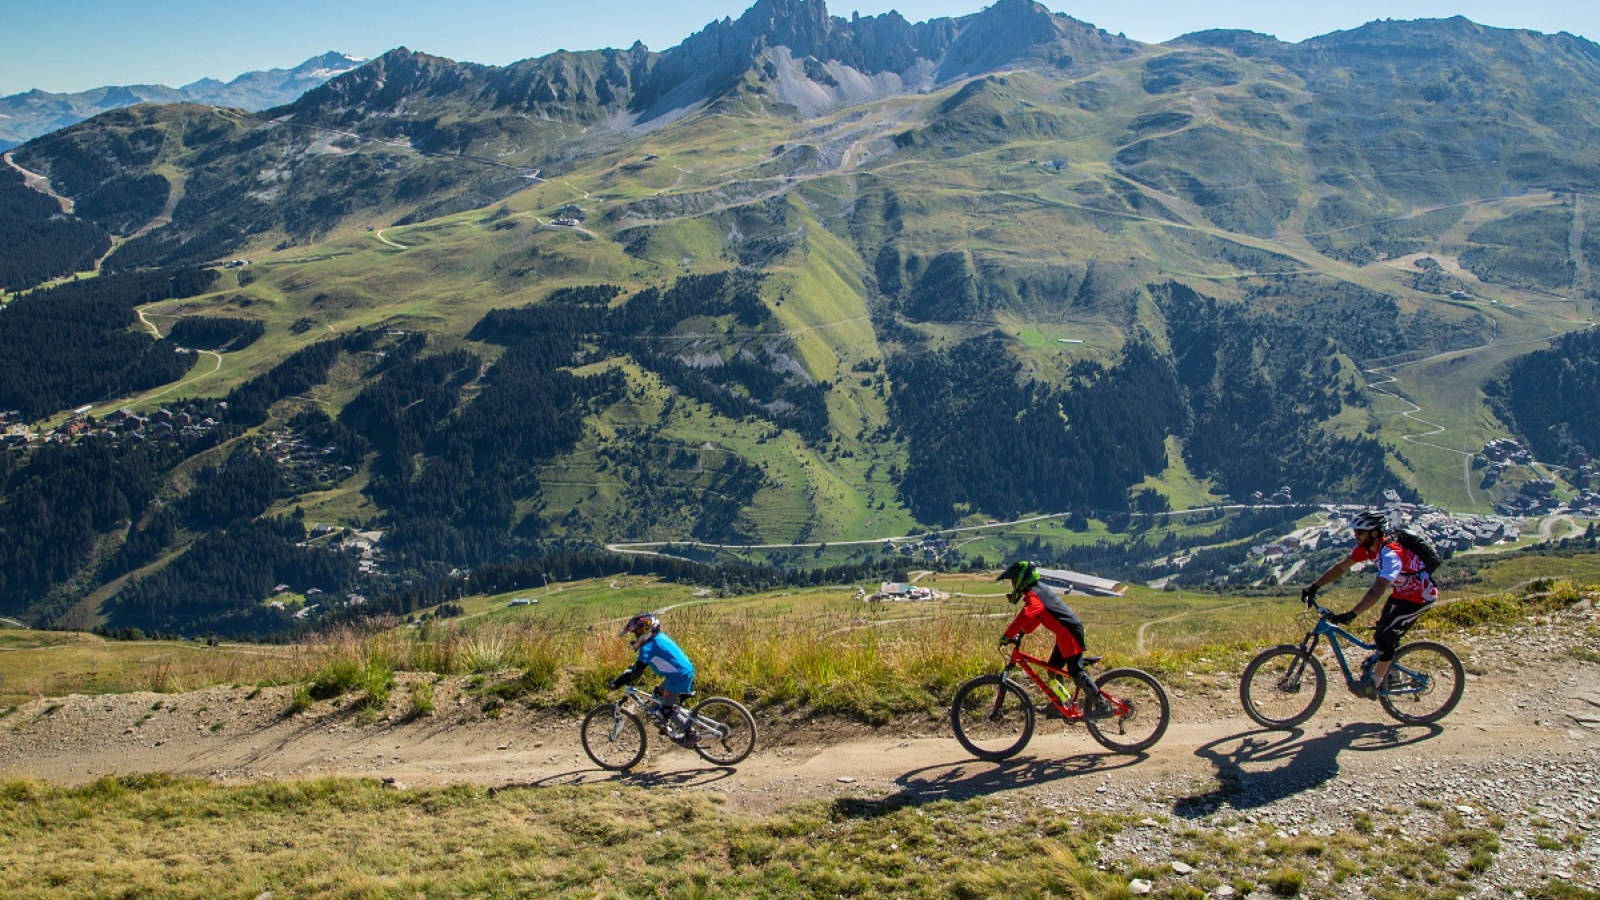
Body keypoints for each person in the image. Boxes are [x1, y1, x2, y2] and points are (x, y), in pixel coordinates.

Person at [1300, 509, 1439, 699]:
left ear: (1374, 533)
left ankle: (1374, 683)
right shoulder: (1368, 549)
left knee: (1386, 636)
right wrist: (1314, 586)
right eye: (1355, 532)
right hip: (1403, 594)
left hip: (1420, 597)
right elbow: (1341, 567)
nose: (1355, 536)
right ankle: (1391, 675)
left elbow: (1377, 590)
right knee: (1381, 631)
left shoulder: (1391, 555)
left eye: (1359, 532)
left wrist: (1353, 613)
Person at [997, 560, 1107, 717]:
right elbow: (1038, 617)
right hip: (1065, 635)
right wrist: (1021, 632)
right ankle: (1058, 705)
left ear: (1023, 578)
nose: (1014, 585)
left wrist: (1008, 635)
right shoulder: (1038, 591)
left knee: (1076, 673)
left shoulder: (1033, 593)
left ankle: (1103, 706)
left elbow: (1029, 612)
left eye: (1014, 580)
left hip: (1069, 634)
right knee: (1053, 670)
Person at [608, 613, 698, 738]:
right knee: (657, 694)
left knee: (665, 709)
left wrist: (616, 683)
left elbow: (637, 672)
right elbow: (641, 663)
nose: (636, 636)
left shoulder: (647, 647)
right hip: (680, 673)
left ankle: (690, 733)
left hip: (677, 677)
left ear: (646, 630)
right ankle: (666, 723)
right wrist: (634, 667)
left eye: (637, 633)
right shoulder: (658, 637)